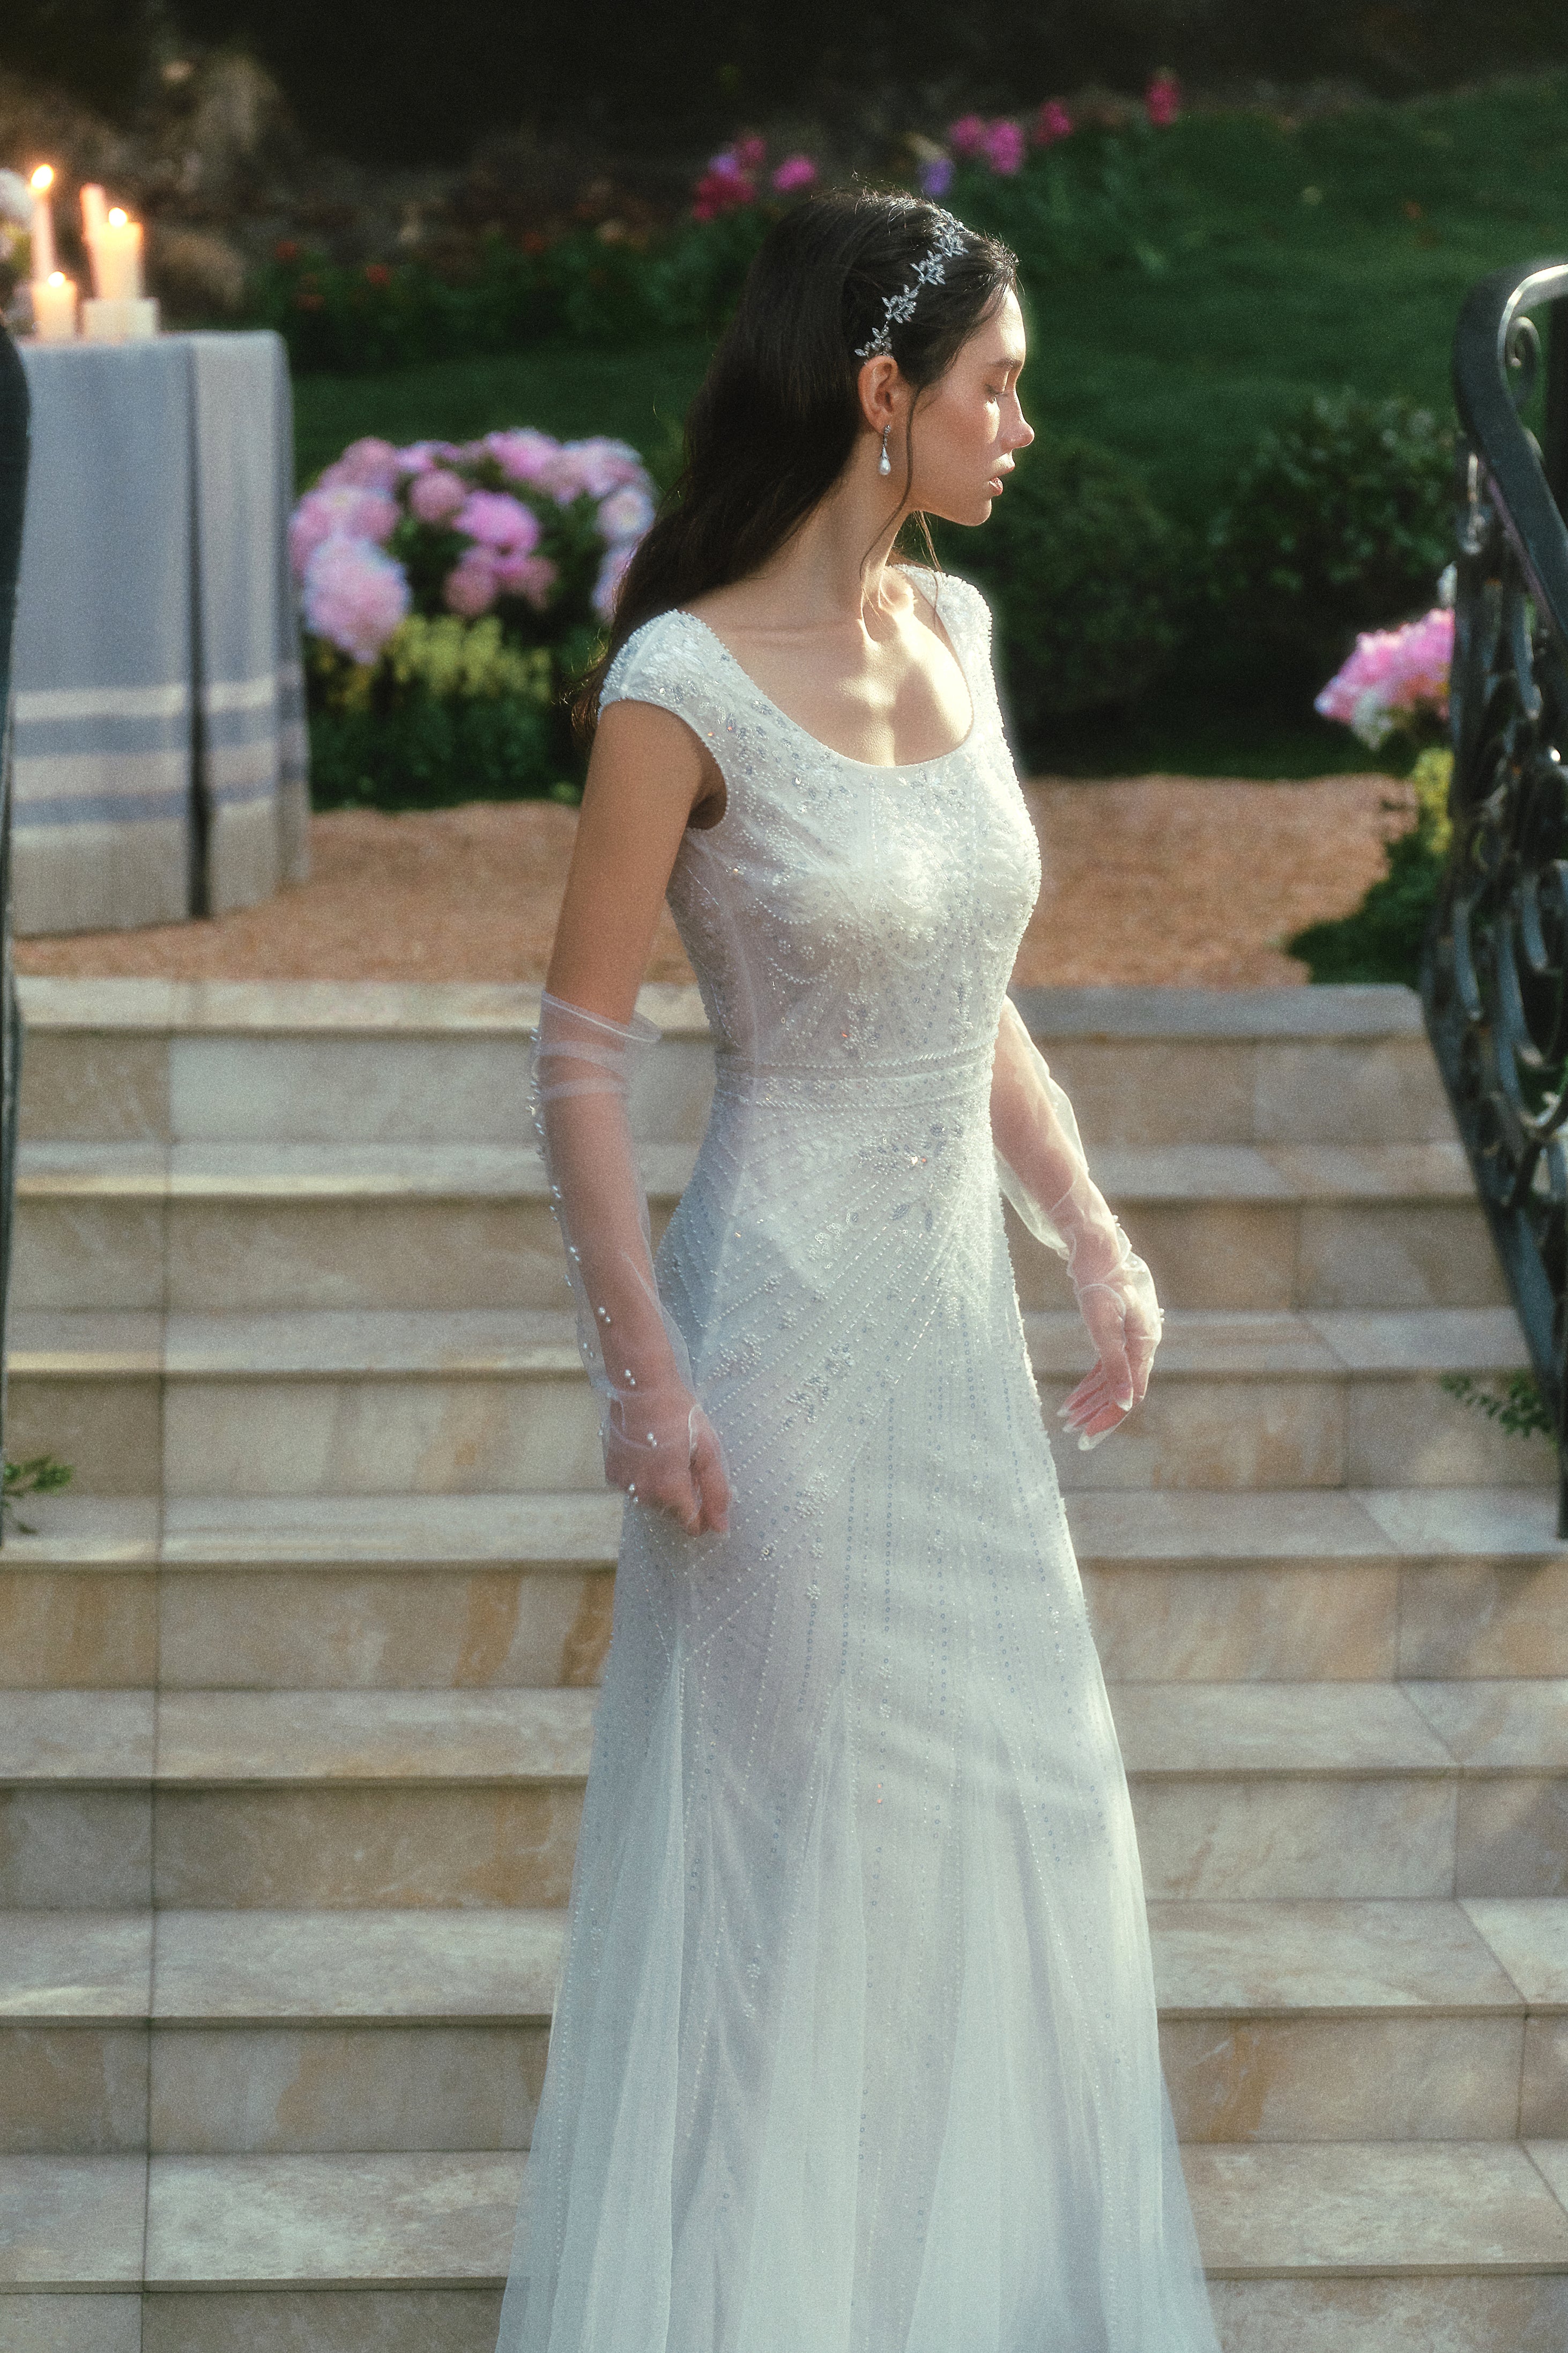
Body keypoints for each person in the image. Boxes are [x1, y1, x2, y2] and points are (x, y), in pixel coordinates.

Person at [497, 187, 1220, 2353]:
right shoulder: (679, 681)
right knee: (792, 1871)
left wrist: (1089, 1232)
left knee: (1028, 1829)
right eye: (998, 387)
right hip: (779, 1353)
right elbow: (579, 1051)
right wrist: (643, 1372)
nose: (1026, 426)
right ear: (881, 392)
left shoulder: (960, 632)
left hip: (955, 1359)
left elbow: (966, 996)